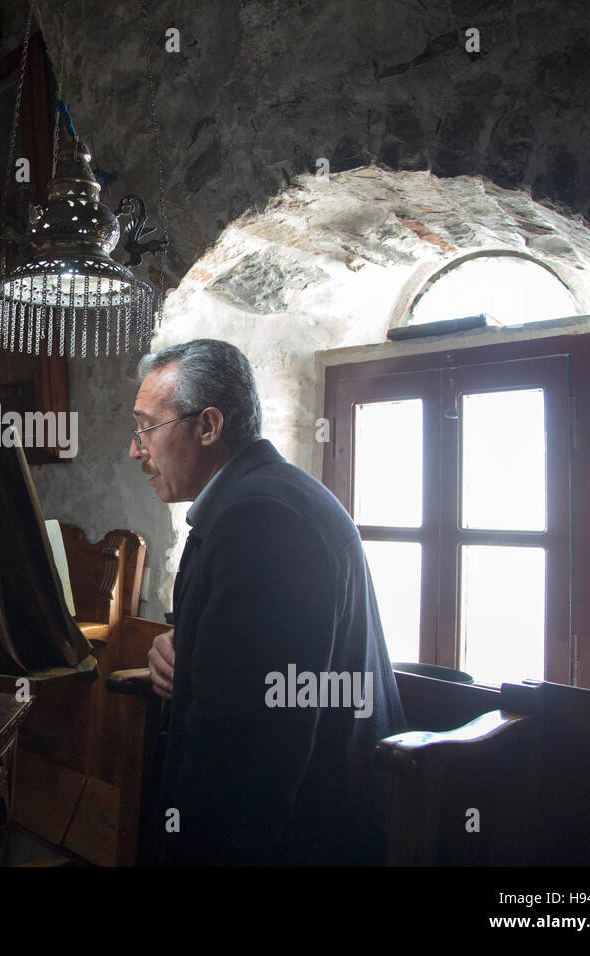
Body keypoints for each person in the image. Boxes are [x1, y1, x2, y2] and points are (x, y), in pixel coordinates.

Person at [133, 339, 406, 866]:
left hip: (309, 835)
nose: (136, 449)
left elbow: (250, 756)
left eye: (147, 428)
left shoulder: (263, 519)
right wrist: (182, 650)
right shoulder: (255, 498)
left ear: (208, 427)